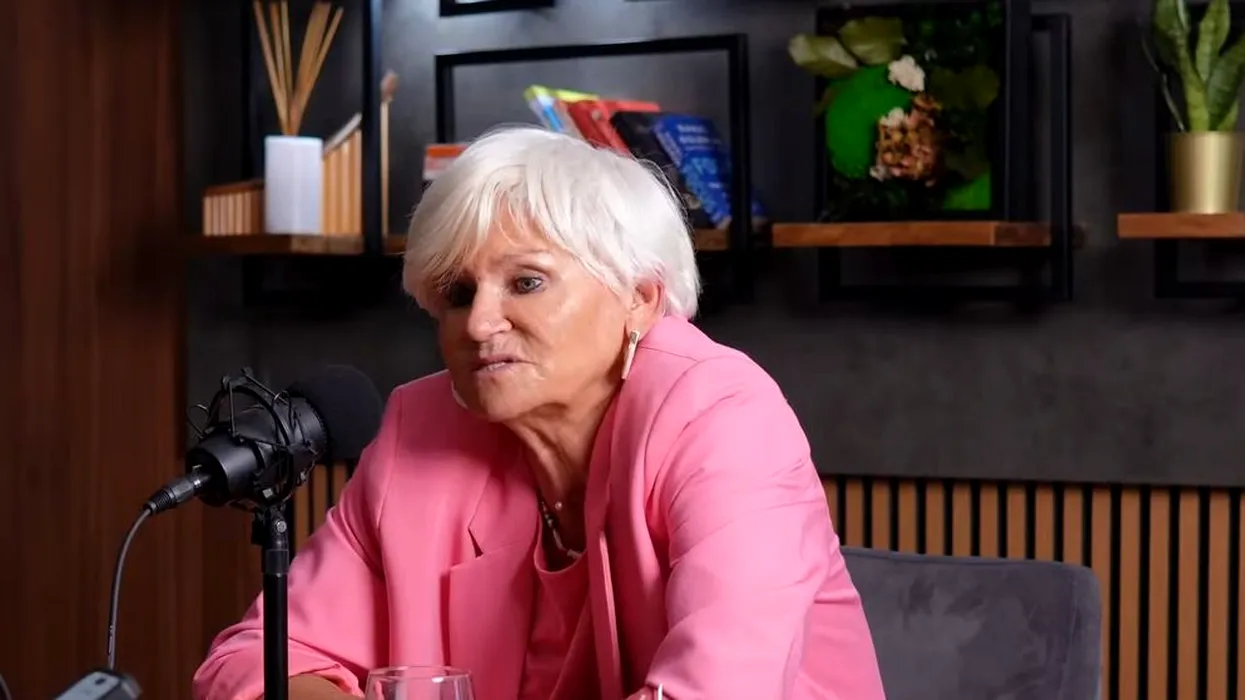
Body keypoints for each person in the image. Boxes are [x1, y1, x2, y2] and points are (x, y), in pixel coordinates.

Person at [192, 125, 885, 700]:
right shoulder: (419, 430)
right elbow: (251, 662)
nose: (479, 324)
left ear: (639, 297)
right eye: (458, 294)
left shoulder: (722, 418)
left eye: (526, 282)